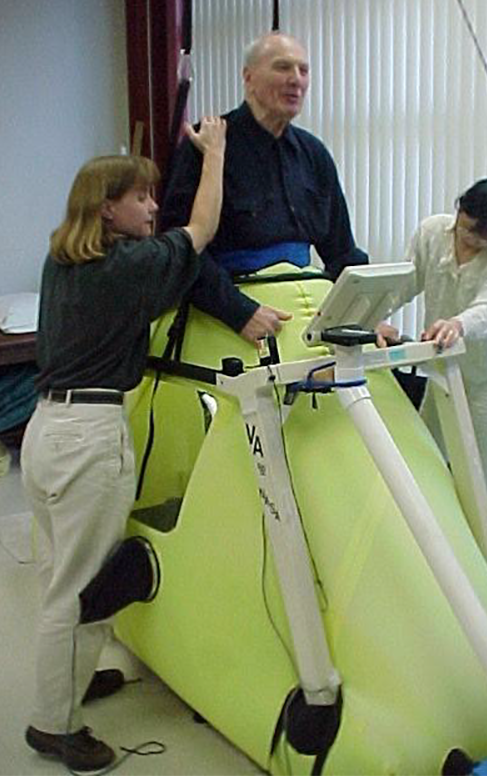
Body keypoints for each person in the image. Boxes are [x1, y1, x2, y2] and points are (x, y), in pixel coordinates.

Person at [20, 117, 226, 772]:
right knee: (80, 590)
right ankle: (51, 725)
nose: (151, 206)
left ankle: (72, 679)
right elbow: (200, 230)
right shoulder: (128, 265)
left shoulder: (64, 262)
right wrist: (214, 155)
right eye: (139, 197)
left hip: (46, 430)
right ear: (108, 208)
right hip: (87, 440)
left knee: (62, 575)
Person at [161, 31, 368, 345]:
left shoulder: (313, 154)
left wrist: (366, 316)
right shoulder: (208, 144)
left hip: (305, 311)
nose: (296, 80)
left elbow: (341, 251)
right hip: (227, 314)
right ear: (249, 77)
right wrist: (239, 312)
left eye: (303, 70)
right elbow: (178, 249)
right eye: (283, 68)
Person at [376, 177, 487, 519]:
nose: (471, 240)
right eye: (467, 228)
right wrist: (372, 318)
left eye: (482, 236)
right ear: (460, 209)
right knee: (423, 457)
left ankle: (481, 564)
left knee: (482, 475)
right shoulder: (431, 232)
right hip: (443, 370)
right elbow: (404, 283)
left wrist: (457, 324)